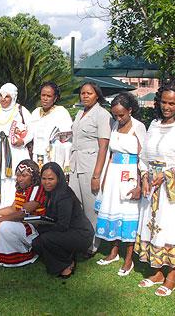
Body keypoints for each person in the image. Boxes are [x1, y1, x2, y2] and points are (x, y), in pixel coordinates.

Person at [135, 81, 175, 297]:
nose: (167, 107)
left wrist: (166, 176)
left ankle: (171, 277)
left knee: (171, 229)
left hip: (174, 191)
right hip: (152, 189)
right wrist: (145, 175)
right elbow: (144, 157)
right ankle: (156, 272)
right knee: (151, 226)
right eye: (164, 102)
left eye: (172, 103)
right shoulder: (154, 125)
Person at [95, 93, 146, 276]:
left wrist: (139, 185)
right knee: (114, 211)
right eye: (115, 114)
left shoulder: (139, 127)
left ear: (130, 110)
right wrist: (105, 178)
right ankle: (114, 251)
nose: (118, 118)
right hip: (114, 175)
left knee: (128, 214)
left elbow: (143, 158)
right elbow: (110, 154)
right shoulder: (115, 125)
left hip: (130, 175)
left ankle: (128, 259)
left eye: (122, 114)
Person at [69, 82, 112, 256]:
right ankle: (79, 239)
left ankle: (92, 245)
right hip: (75, 165)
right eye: (82, 93)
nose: (85, 96)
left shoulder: (102, 115)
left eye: (89, 93)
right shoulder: (80, 113)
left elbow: (103, 147)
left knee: (91, 208)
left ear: (97, 95)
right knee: (75, 205)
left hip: (91, 166)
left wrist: (96, 176)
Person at [32, 162, 94, 278]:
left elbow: (62, 225)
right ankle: (67, 257)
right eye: (44, 178)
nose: (47, 182)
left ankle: (67, 264)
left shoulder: (64, 195)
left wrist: (42, 227)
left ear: (59, 178)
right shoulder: (50, 192)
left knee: (46, 238)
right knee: (37, 243)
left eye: (51, 179)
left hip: (81, 235)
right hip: (68, 231)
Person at [0, 83, 33, 211]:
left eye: (7, 96)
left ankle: (9, 214)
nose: (3, 99)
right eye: (0, 96)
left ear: (13, 97)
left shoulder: (21, 110)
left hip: (15, 153)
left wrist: (23, 140)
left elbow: (32, 131)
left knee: (12, 182)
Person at [0, 159, 46, 267]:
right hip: (22, 224)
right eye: (18, 175)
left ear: (33, 177)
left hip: (35, 228)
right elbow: (13, 208)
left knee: (4, 225)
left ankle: (24, 255)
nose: (20, 179)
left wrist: (1, 220)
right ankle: (4, 254)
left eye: (24, 175)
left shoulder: (37, 189)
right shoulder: (21, 189)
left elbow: (23, 213)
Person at [30, 81, 72, 170]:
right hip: (37, 154)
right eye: (43, 95)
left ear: (55, 98)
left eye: (49, 96)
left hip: (54, 156)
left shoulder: (61, 112)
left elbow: (67, 137)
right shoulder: (35, 112)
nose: (45, 98)